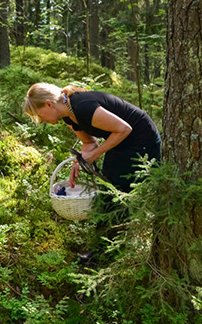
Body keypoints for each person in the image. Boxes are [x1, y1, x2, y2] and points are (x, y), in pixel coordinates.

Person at [24, 83, 161, 264]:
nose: (41, 120)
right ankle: (103, 247)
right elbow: (89, 143)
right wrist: (78, 161)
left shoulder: (83, 106)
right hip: (123, 140)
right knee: (107, 189)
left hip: (141, 140)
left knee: (117, 190)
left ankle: (111, 252)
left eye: (40, 115)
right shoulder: (69, 116)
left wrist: (95, 155)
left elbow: (125, 128)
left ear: (49, 104)